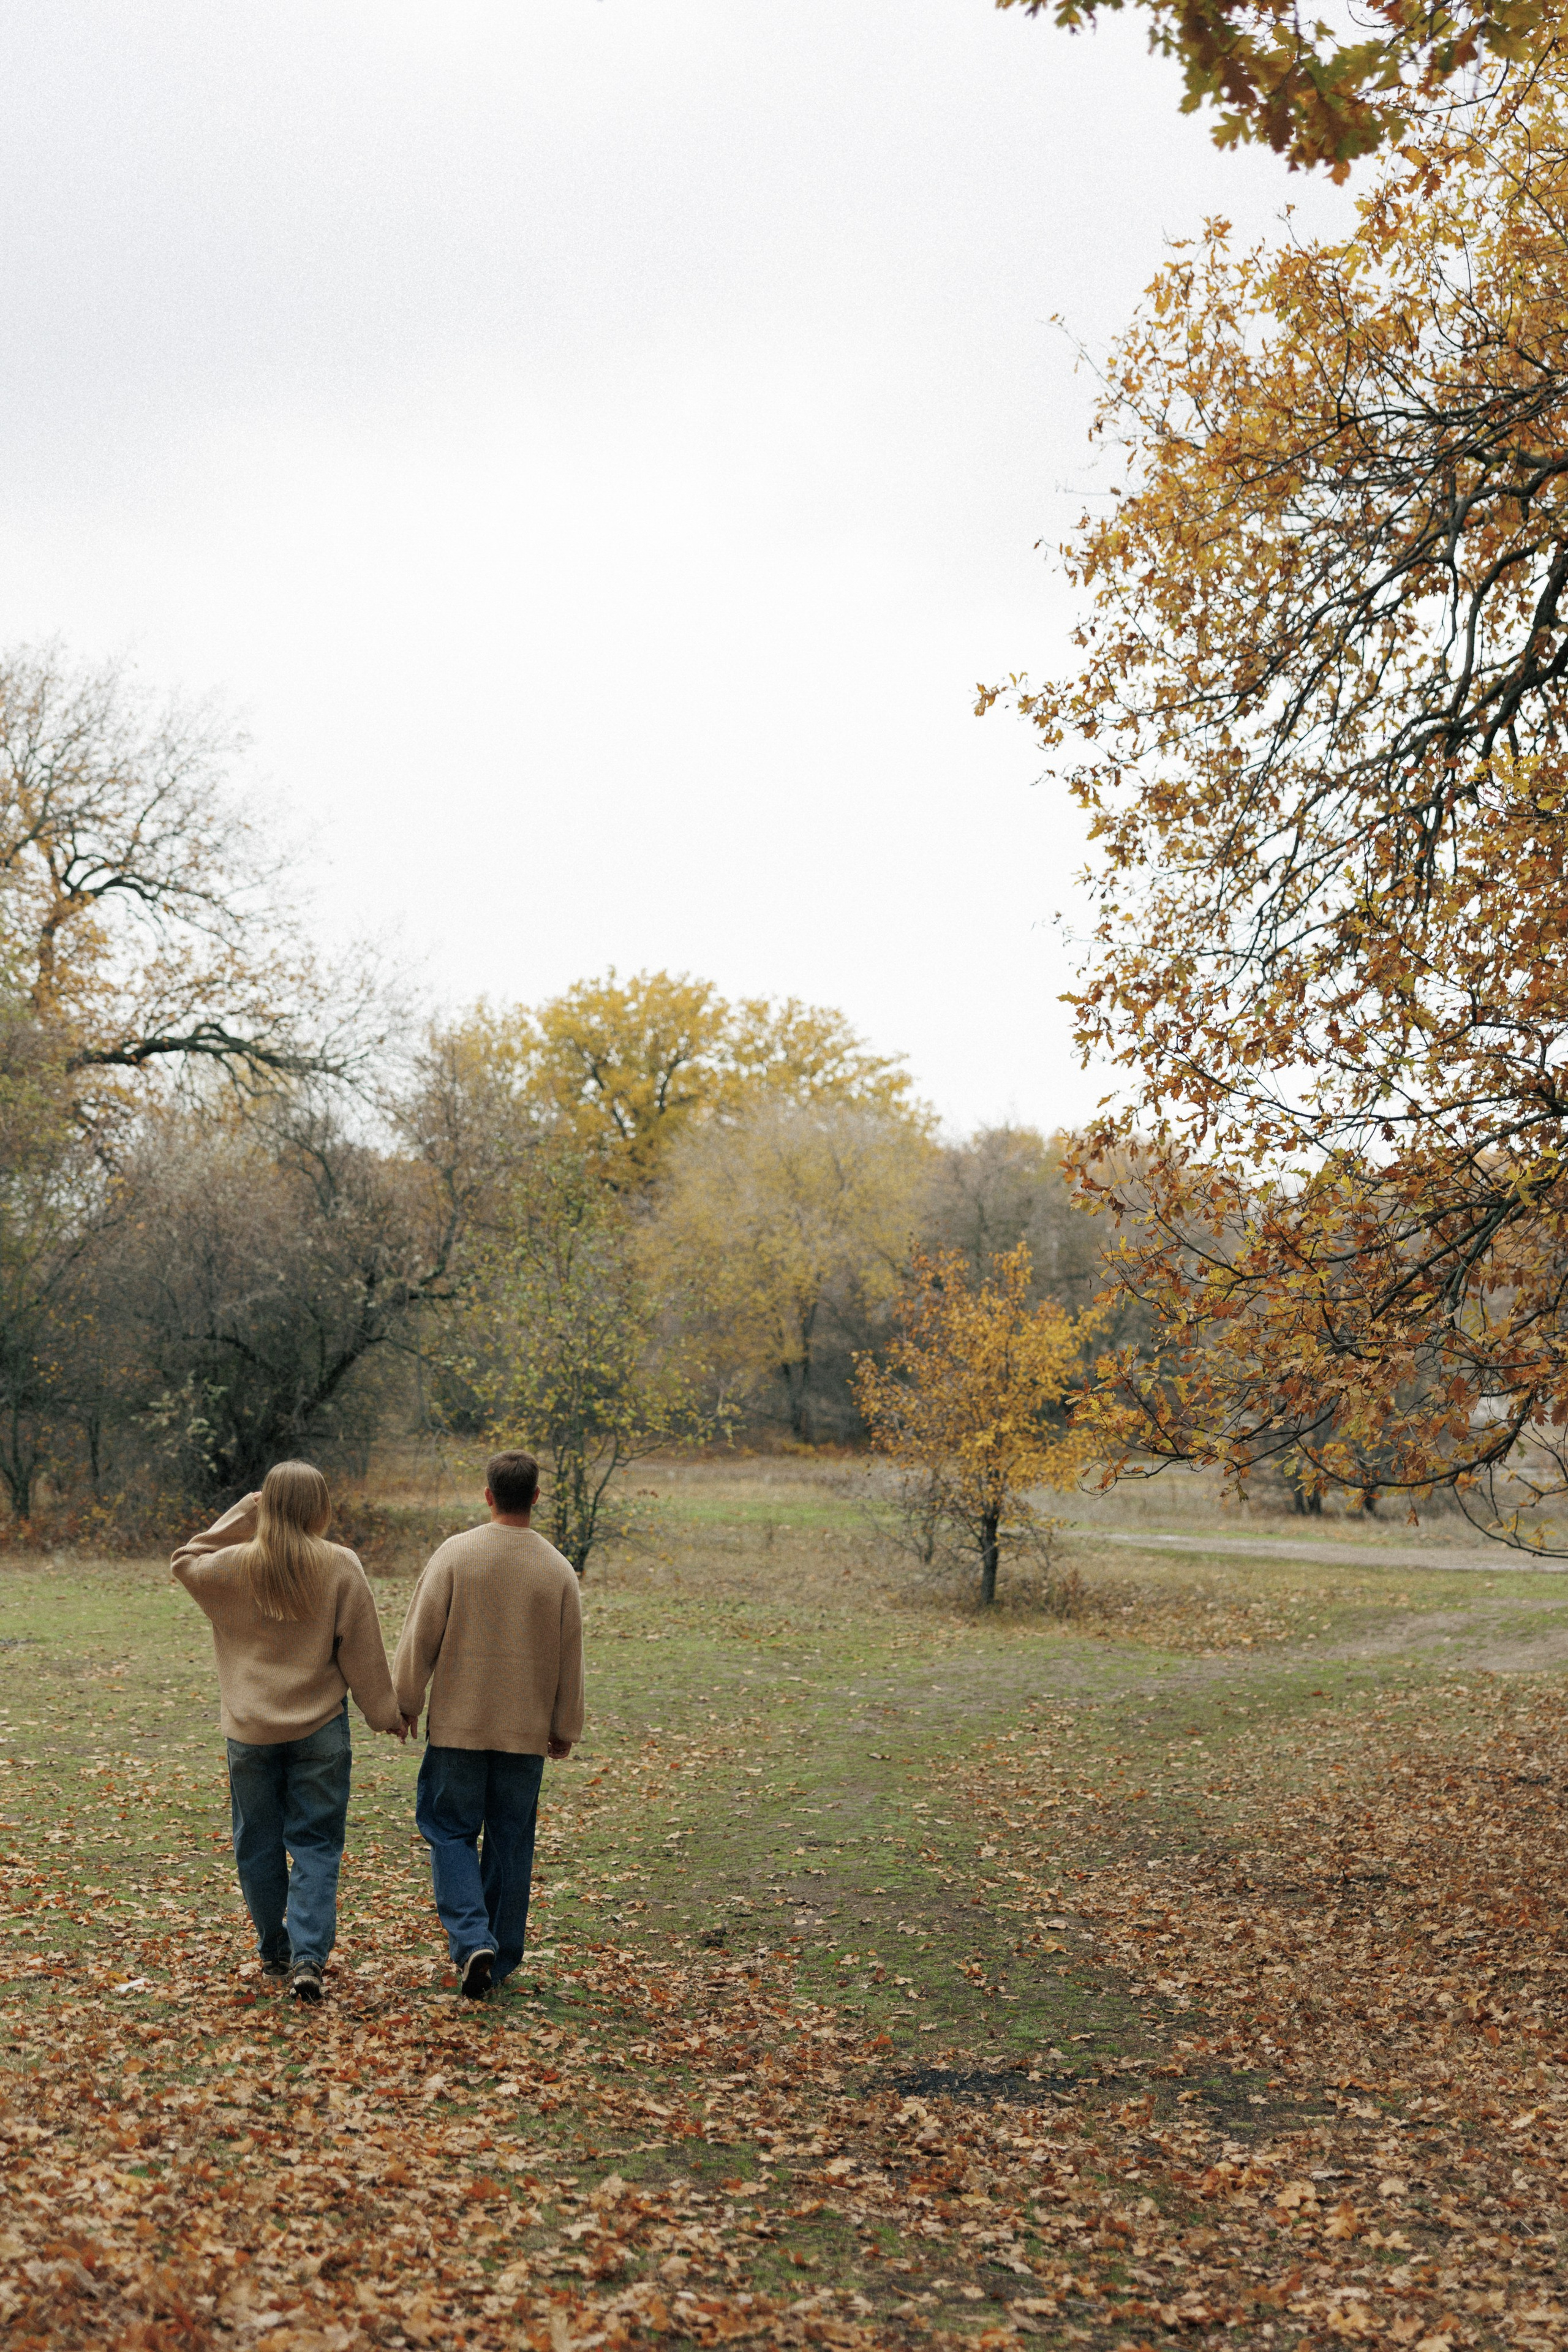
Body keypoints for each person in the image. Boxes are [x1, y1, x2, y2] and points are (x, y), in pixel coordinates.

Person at [172, 1460, 409, 2003]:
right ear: (321, 1507)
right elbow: (363, 1652)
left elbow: (185, 1559)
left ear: (267, 1506)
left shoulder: (232, 1566)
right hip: (321, 1730)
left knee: (257, 1842)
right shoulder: (340, 1565)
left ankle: (275, 1950)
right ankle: (308, 1957)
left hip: (250, 1731)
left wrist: (244, 1513)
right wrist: (385, 1714)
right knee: (317, 1845)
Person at [393, 1448, 584, 2001]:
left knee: (449, 1829)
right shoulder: (557, 1569)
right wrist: (564, 1725)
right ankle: (497, 1958)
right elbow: (571, 1656)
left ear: (488, 1495)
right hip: (524, 1732)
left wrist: (406, 1700)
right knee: (510, 1839)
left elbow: (419, 1634)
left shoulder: (457, 1554)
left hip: (458, 1726)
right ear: (536, 1497)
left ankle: (472, 1937)